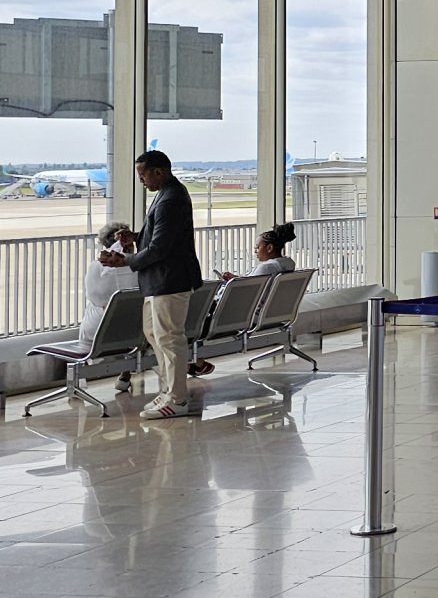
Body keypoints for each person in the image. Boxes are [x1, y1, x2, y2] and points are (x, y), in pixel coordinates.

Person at [101, 150, 205, 420]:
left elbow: (160, 248)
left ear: (158, 171)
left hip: (169, 280)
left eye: (142, 174)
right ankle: (170, 390)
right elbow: (162, 235)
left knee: (169, 339)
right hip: (159, 282)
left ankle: (178, 399)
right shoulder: (167, 194)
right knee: (155, 334)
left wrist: (125, 261)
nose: (141, 180)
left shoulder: (171, 198)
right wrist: (136, 237)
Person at [219, 222, 298, 282]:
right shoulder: (288, 265)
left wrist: (232, 280)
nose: (255, 251)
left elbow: (247, 285)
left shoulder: (265, 268)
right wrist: (233, 277)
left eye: (257, 247)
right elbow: (248, 281)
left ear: (269, 248)